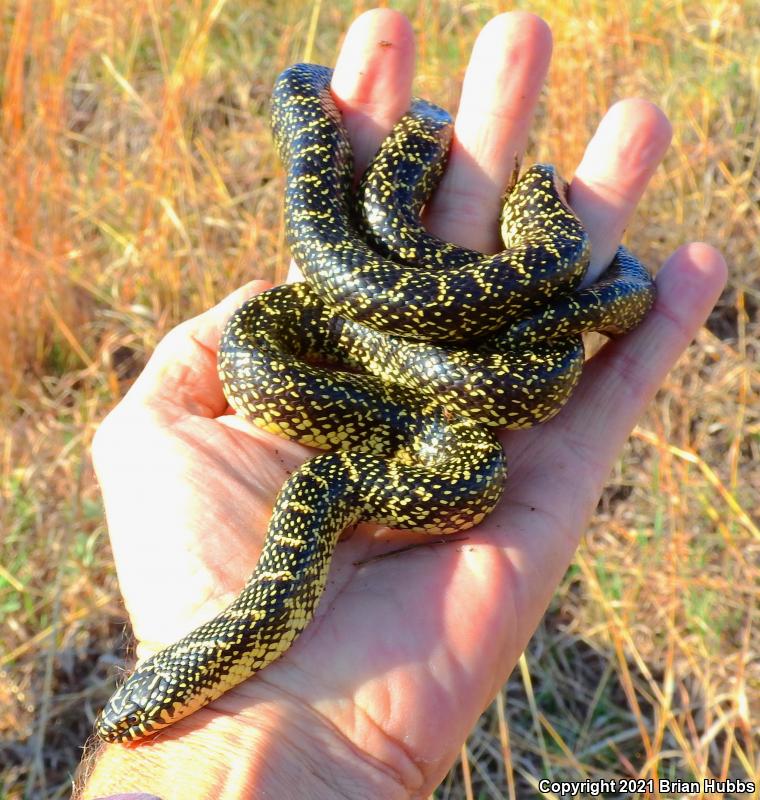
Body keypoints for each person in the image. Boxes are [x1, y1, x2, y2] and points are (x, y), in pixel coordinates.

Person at [76, 8, 726, 799]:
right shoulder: (282, 583)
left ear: (201, 677)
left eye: (149, 717)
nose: (137, 724)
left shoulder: (355, 493)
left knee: (515, 269)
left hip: (445, 381)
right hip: (422, 401)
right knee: (380, 266)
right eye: (145, 716)